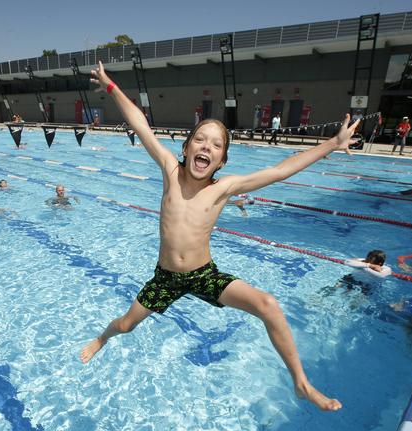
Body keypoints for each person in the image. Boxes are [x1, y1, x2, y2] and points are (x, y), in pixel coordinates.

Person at [79, 61, 360, 412]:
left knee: (269, 305)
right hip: (165, 278)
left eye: (215, 145)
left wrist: (333, 142)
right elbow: (140, 124)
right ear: (185, 148)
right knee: (125, 325)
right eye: (200, 139)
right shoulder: (170, 170)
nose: (206, 147)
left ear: (222, 161)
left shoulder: (224, 189)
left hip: (204, 275)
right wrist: (109, 85)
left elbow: (280, 170)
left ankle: (301, 383)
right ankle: (102, 338)